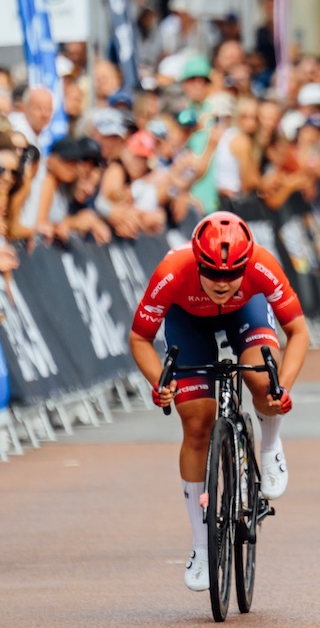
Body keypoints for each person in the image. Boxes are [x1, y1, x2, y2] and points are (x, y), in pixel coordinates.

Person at [129, 211, 308, 591]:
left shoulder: (262, 264)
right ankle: (201, 544)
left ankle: (271, 443)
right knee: (196, 421)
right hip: (188, 320)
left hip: (247, 313)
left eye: (231, 275)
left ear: (247, 263)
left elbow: (298, 331)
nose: (222, 284)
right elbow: (139, 338)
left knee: (260, 378)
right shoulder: (172, 271)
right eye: (212, 274)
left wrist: (282, 388)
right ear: (197, 262)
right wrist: (158, 381)